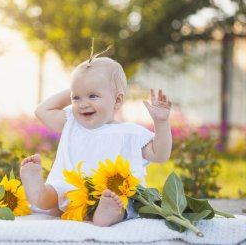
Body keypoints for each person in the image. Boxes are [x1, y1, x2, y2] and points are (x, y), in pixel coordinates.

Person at [20, 57, 172, 226]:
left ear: (117, 100)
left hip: (114, 193)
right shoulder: (72, 122)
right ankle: (38, 192)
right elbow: (42, 110)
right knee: (56, 192)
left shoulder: (131, 133)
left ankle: (107, 213)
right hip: (72, 193)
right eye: (76, 98)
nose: (83, 104)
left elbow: (160, 154)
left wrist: (161, 122)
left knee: (123, 203)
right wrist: (77, 87)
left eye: (92, 96)